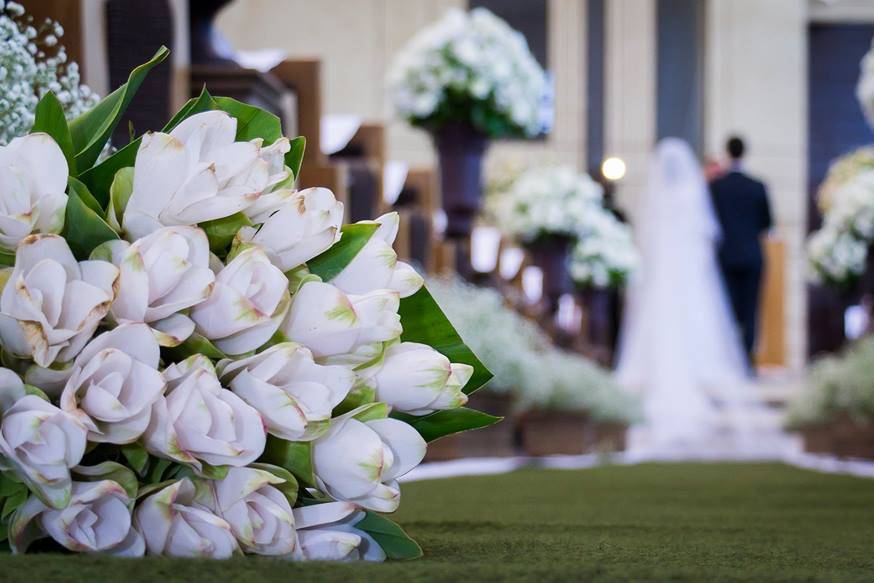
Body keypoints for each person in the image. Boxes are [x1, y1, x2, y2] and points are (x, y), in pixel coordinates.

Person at [616, 138, 791, 459]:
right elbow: (756, 224)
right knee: (744, 312)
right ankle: (745, 361)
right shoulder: (748, 186)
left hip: (704, 264)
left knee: (673, 317)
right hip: (738, 259)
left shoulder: (712, 187)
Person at [709, 136, 773, 366]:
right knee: (750, 310)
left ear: (727, 152)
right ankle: (746, 361)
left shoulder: (716, 187)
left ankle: (727, 360)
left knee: (726, 310)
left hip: (725, 257)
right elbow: (767, 223)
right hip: (751, 256)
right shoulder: (757, 186)